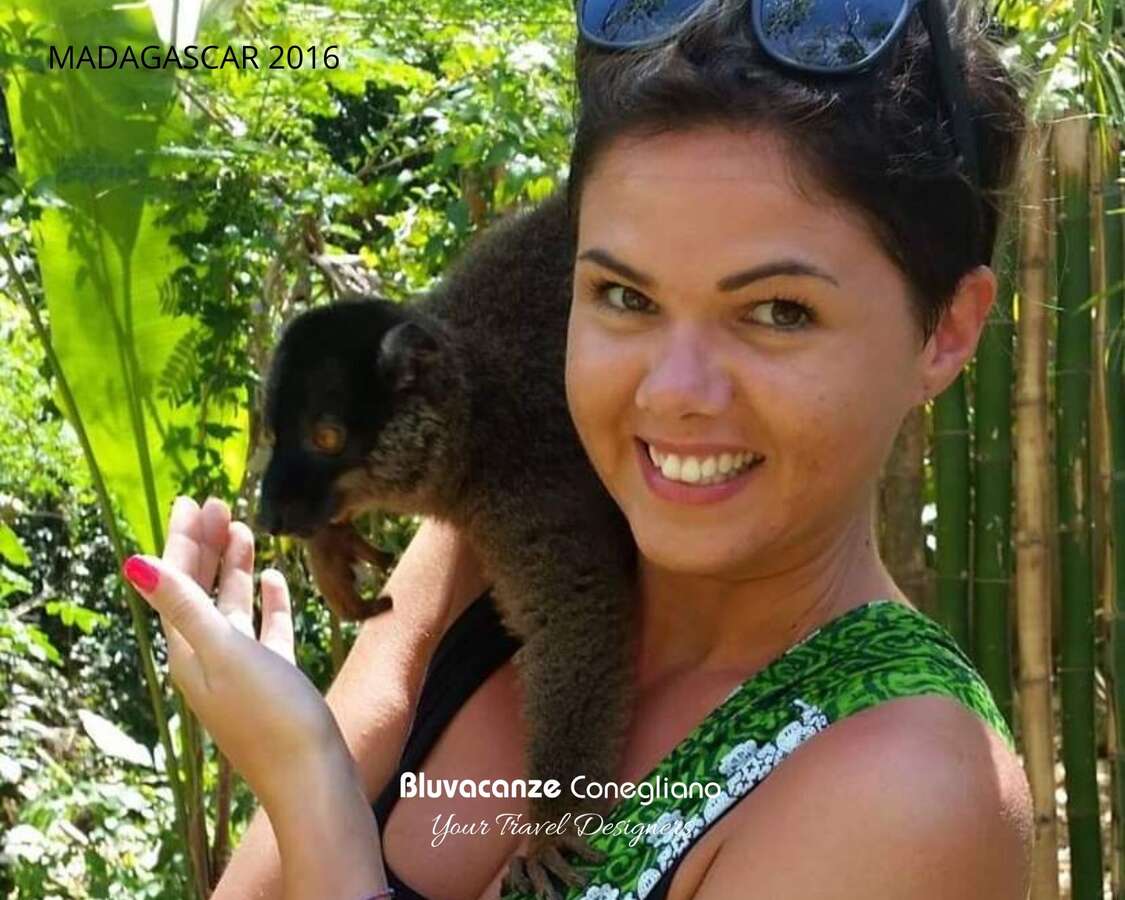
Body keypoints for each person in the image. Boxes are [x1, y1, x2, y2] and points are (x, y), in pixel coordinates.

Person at [122, 0, 1035, 897]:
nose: (673, 393)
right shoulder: (465, 559)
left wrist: (307, 783)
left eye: (777, 311)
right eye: (624, 297)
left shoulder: (907, 797)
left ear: (947, 330)